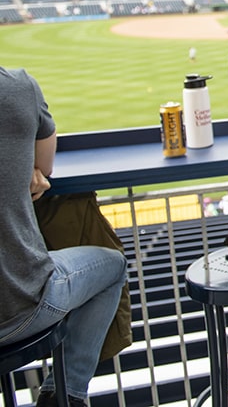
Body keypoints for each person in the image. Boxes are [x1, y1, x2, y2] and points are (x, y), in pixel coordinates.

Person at [0, 66, 128, 407]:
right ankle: (66, 395)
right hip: (20, 304)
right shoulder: (18, 86)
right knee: (113, 266)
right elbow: (45, 165)